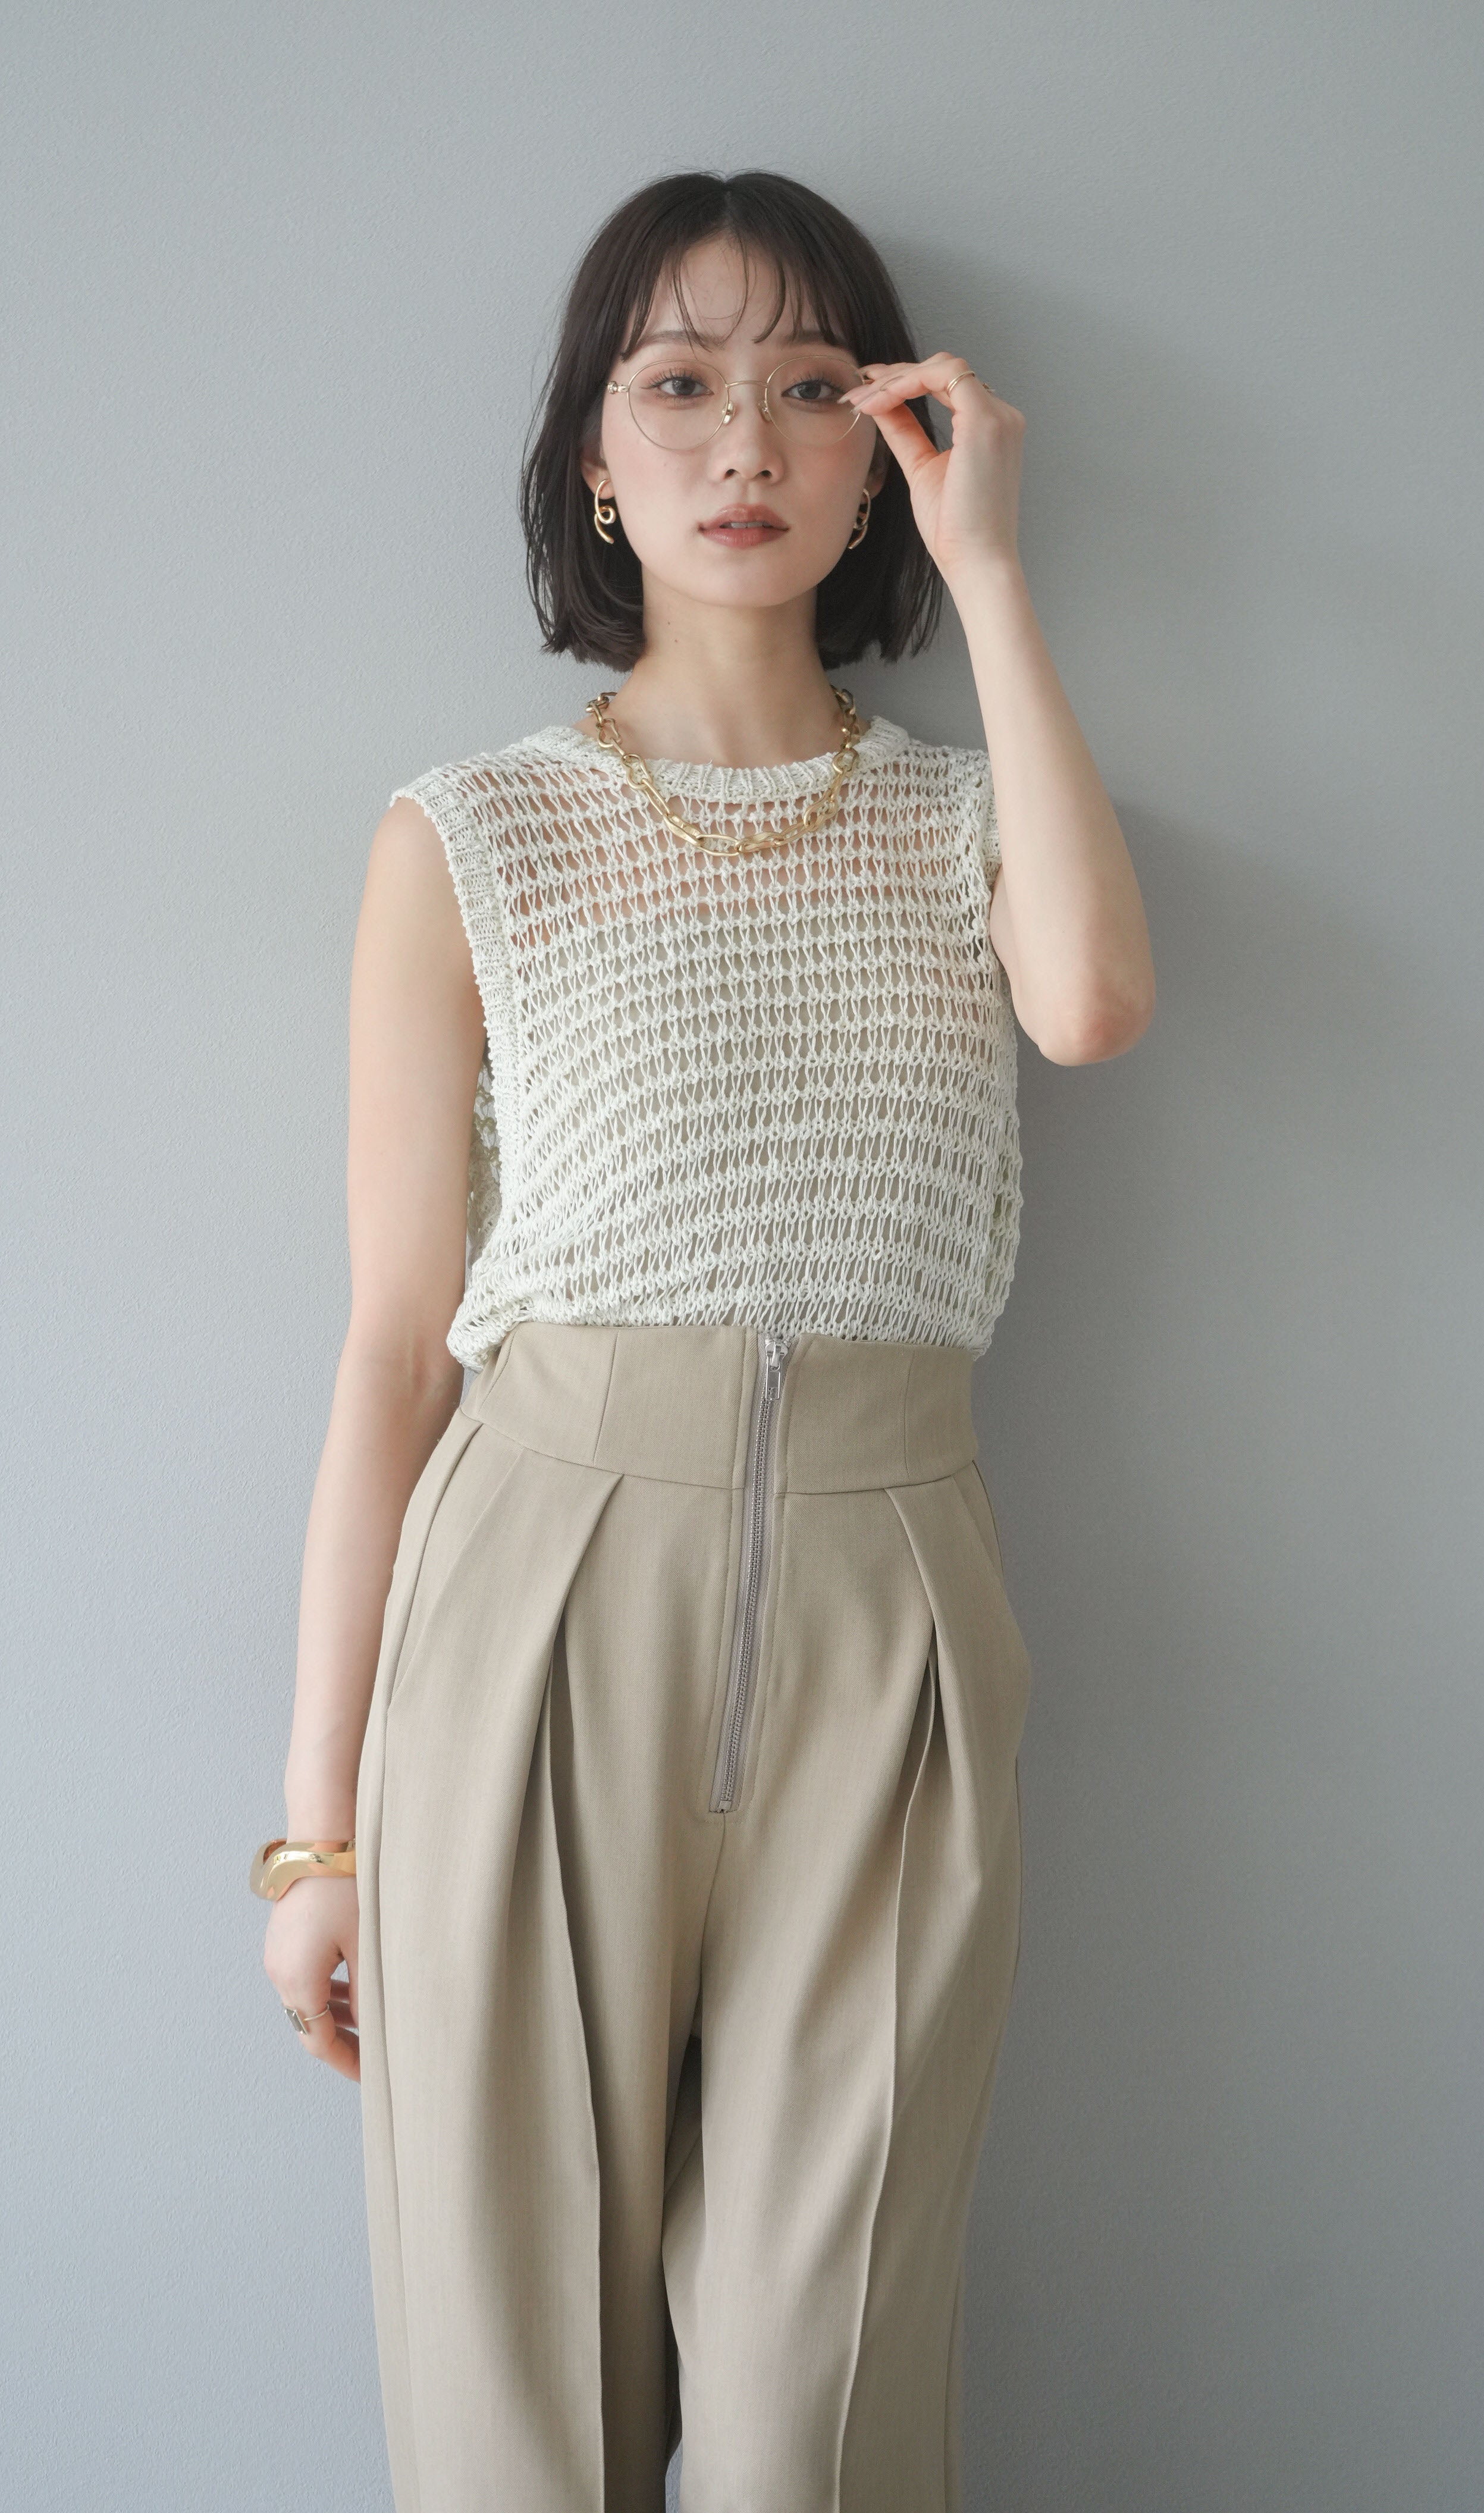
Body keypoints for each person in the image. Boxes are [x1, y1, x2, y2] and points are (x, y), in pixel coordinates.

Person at [252, 167, 1153, 2511]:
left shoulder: (967, 817)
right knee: (520, 2426)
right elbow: (394, 1348)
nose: (743, 442)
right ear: (594, 453)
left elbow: (1092, 1004)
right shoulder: (473, 836)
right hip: (536, 1614)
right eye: (677, 385)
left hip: (889, 1619)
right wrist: (313, 1834)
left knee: (818, 2427)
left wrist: (990, 575)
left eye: (810, 389)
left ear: (883, 447)